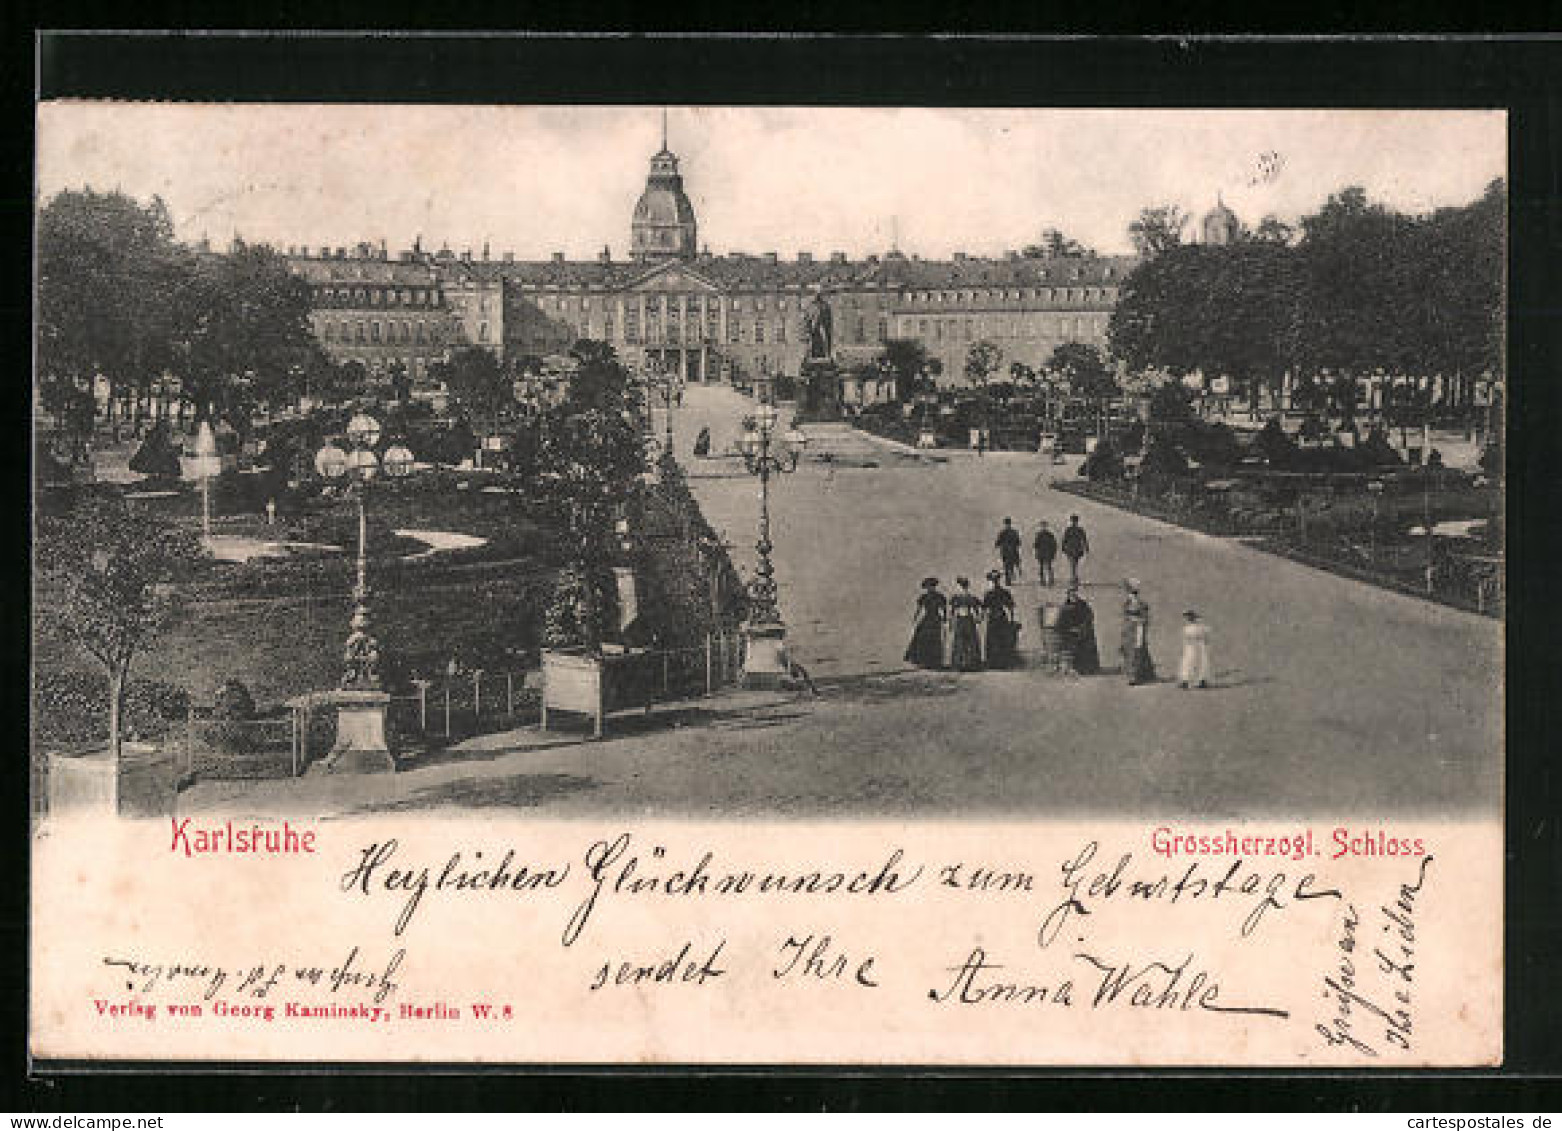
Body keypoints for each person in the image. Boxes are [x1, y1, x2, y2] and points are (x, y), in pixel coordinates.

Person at [1056, 581, 1100, 674]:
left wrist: (1081, 628)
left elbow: (1089, 617)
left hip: (1082, 631)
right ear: (1068, 594)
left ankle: (1088, 667)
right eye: (1071, 592)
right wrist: (1069, 629)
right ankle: (1073, 666)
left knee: (1087, 640)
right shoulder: (1065, 606)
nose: (1073, 594)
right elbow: (1060, 622)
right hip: (1069, 633)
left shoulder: (1083, 604)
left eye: (1074, 592)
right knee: (1069, 641)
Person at [903, 577, 947, 669]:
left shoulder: (939, 597)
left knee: (933, 639)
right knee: (922, 638)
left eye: (931, 586)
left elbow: (943, 609)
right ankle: (924, 661)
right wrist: (915, 618)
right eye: (929, 587)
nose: (930, 588)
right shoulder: (925, 597)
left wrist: (944, 619)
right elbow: (919, 609)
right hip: (929, 619)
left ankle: (932, 661)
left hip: (934, 619)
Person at [1120, 578, 1156, 686]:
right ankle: (1132, 675)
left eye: (1134, 593)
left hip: (1139, 628)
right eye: (1131, 593)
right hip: (1129, 629)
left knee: (1138, 650)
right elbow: (1125, 616)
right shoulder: (1127, 603)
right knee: (1129, 651)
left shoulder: (1142, 604)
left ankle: (1136, 676)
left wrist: (1138, 620)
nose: (1132, 595)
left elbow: (1146, 618)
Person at [981, 570, 1020, 669]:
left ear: (991, 581)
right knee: (1001, 639)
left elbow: (985, 608)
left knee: (993, 639)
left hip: (993, 618)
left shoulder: (988, 594)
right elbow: (1011, 607)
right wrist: (1011, 619)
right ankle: (1002, 662)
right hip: (1002, 617)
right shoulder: (1004, 592)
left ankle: (993, 662)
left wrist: (982, 617)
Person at [948, 576, 984, 672]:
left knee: (961, 641)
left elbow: (952, 611)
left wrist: (951, 621)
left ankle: (961, 663)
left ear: (960, 586)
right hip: (968, 620)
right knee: (969, 641)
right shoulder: (969, 597)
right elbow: (976, 610)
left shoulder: (958, 597)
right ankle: (970, 663)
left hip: (963, 620)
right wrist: (978, 618)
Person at [1179, 609, 1211, 689]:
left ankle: (1201, 680)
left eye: (1189, 617)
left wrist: (1203, 644)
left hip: (1197, 646)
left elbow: (1206, 638)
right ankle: (1187, 681)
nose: (1188, 619)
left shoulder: (1199, 627)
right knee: (1190, 662)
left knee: (1197, 662)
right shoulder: (1189, 628)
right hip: (1193, 646)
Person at [1061, 515, 1090, 583]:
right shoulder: (1072, 530)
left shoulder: (1073, 530)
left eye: (1075, 521)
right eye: (1073, 521)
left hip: (1075, 548)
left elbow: (1084, 539)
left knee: (1074, 562)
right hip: (1072, 548)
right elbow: (1065, 539)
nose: (1074, 523)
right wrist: (1063, 546)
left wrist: (1086, 547)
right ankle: (1074, 576)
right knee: (1073, 562)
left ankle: (1074, 576)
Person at [995, 517, 1023, 585]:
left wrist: (998, 545)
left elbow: (998, 542)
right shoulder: (1014, 532)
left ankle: (1008, 580)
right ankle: (1010, 576)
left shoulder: (1002, 533)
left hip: (1006, 552)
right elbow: (1019, 542)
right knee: (1011, 564)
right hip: (1012, 551)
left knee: (1007, 566)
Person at [1033, 521, 1058, 587]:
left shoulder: (1043, 535)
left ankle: (1047, 580)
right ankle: (1045, 580)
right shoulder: (1048, 535)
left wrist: (1053, 552)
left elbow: (1036, 545)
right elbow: (1036, 545)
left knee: (1046, 567)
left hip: (1044, 553)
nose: (1043, 527)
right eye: (1042, 526)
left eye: (1044, 526)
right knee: (1045, 567)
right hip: (1045, 553)